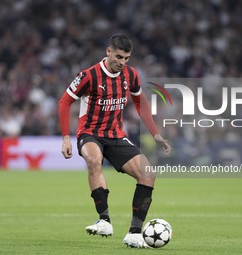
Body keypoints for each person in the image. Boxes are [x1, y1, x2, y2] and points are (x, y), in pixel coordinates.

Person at [58, 34, 171, 248]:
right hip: (90, 132)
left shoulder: (131, 75)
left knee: (148, 174)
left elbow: (140, 103)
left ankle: (135, 234)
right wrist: (66, 138)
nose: (123, 62)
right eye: (119, 56)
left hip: (116, 135)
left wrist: (155, 133)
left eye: (127, 58)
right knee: (94, 159)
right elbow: (65, 102)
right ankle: (104, 220)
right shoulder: (89, 76)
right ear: (108, 51)